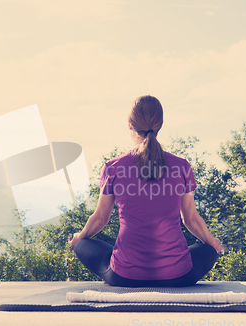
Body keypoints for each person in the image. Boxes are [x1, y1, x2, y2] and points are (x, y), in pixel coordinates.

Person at [68, 95, 224, 287]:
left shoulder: (113, 167)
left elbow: (101, 219)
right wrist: (212, 242)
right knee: (207, 251)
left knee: (83, 245)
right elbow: (190, 219)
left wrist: (79, 237)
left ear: (129, 124)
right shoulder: (182, 166)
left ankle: (110, 270)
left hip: (124, 277)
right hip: (178, 277)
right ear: (160, 124)